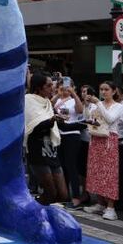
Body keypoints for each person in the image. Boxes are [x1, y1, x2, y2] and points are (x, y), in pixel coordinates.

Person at [83, 81, 123, 221]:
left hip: (109, 140)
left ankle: (111, 207)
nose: (103, 92)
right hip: (96, 139)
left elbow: (110, 119)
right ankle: (100, 203)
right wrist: (87, 105)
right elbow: (89, 119)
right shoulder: (98, 105)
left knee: (110, 173)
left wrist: (97, 103)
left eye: (106, 89)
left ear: (114, 91)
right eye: (101, 89)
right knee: (96, 171)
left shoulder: (119, 107)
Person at [25, 73, 67, 205]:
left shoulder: (48, 103)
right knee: (51, 192)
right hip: (37, 150)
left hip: (51, 150)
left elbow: (59, 125)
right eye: (48, 86)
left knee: (63, 194)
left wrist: (85, 123)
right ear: (39, 87)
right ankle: (33, 210)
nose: (52, 88)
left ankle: (38, 206)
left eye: (52, 85)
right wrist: (52, 120)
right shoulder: (28, 100)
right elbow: (34, 127)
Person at [53, 80, 86, 210]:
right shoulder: (56, 100)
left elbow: (80, 110)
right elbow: (48, 107)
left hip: (72, 134)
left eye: (68, 86)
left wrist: (74, 94)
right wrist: (57, 94)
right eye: (62, 85)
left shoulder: (73, 100)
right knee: (60, 166)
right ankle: (64, 195)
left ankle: (76, 197)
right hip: (58, 134)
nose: (65, 88)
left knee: (71, 165)